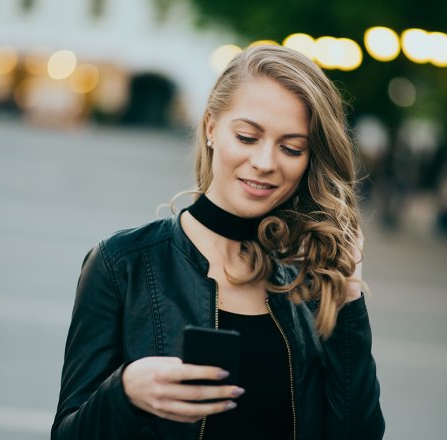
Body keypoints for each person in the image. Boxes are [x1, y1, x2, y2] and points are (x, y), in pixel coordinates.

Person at [52, 46, 385, 440]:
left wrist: (347, 298)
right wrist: (124, 393)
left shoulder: (311, 285)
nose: (265, 162)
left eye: (291, 148)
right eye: (247, 137)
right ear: (211, 127)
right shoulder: (120, 264)